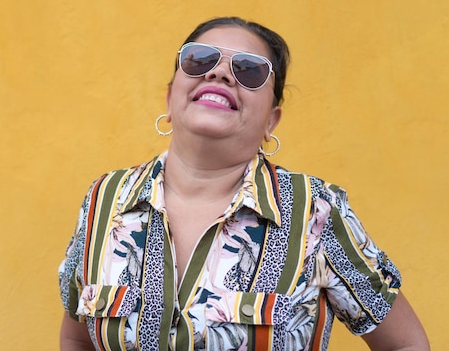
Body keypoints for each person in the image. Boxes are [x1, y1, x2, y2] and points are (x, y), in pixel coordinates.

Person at [58, 17, 429, 351]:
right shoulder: (104, 200)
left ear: (272, 120)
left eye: (249, 70)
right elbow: (77, 338)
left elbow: (406, 344)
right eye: (200, 59)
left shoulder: (314, 211)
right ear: (170, 98)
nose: (219, 73)